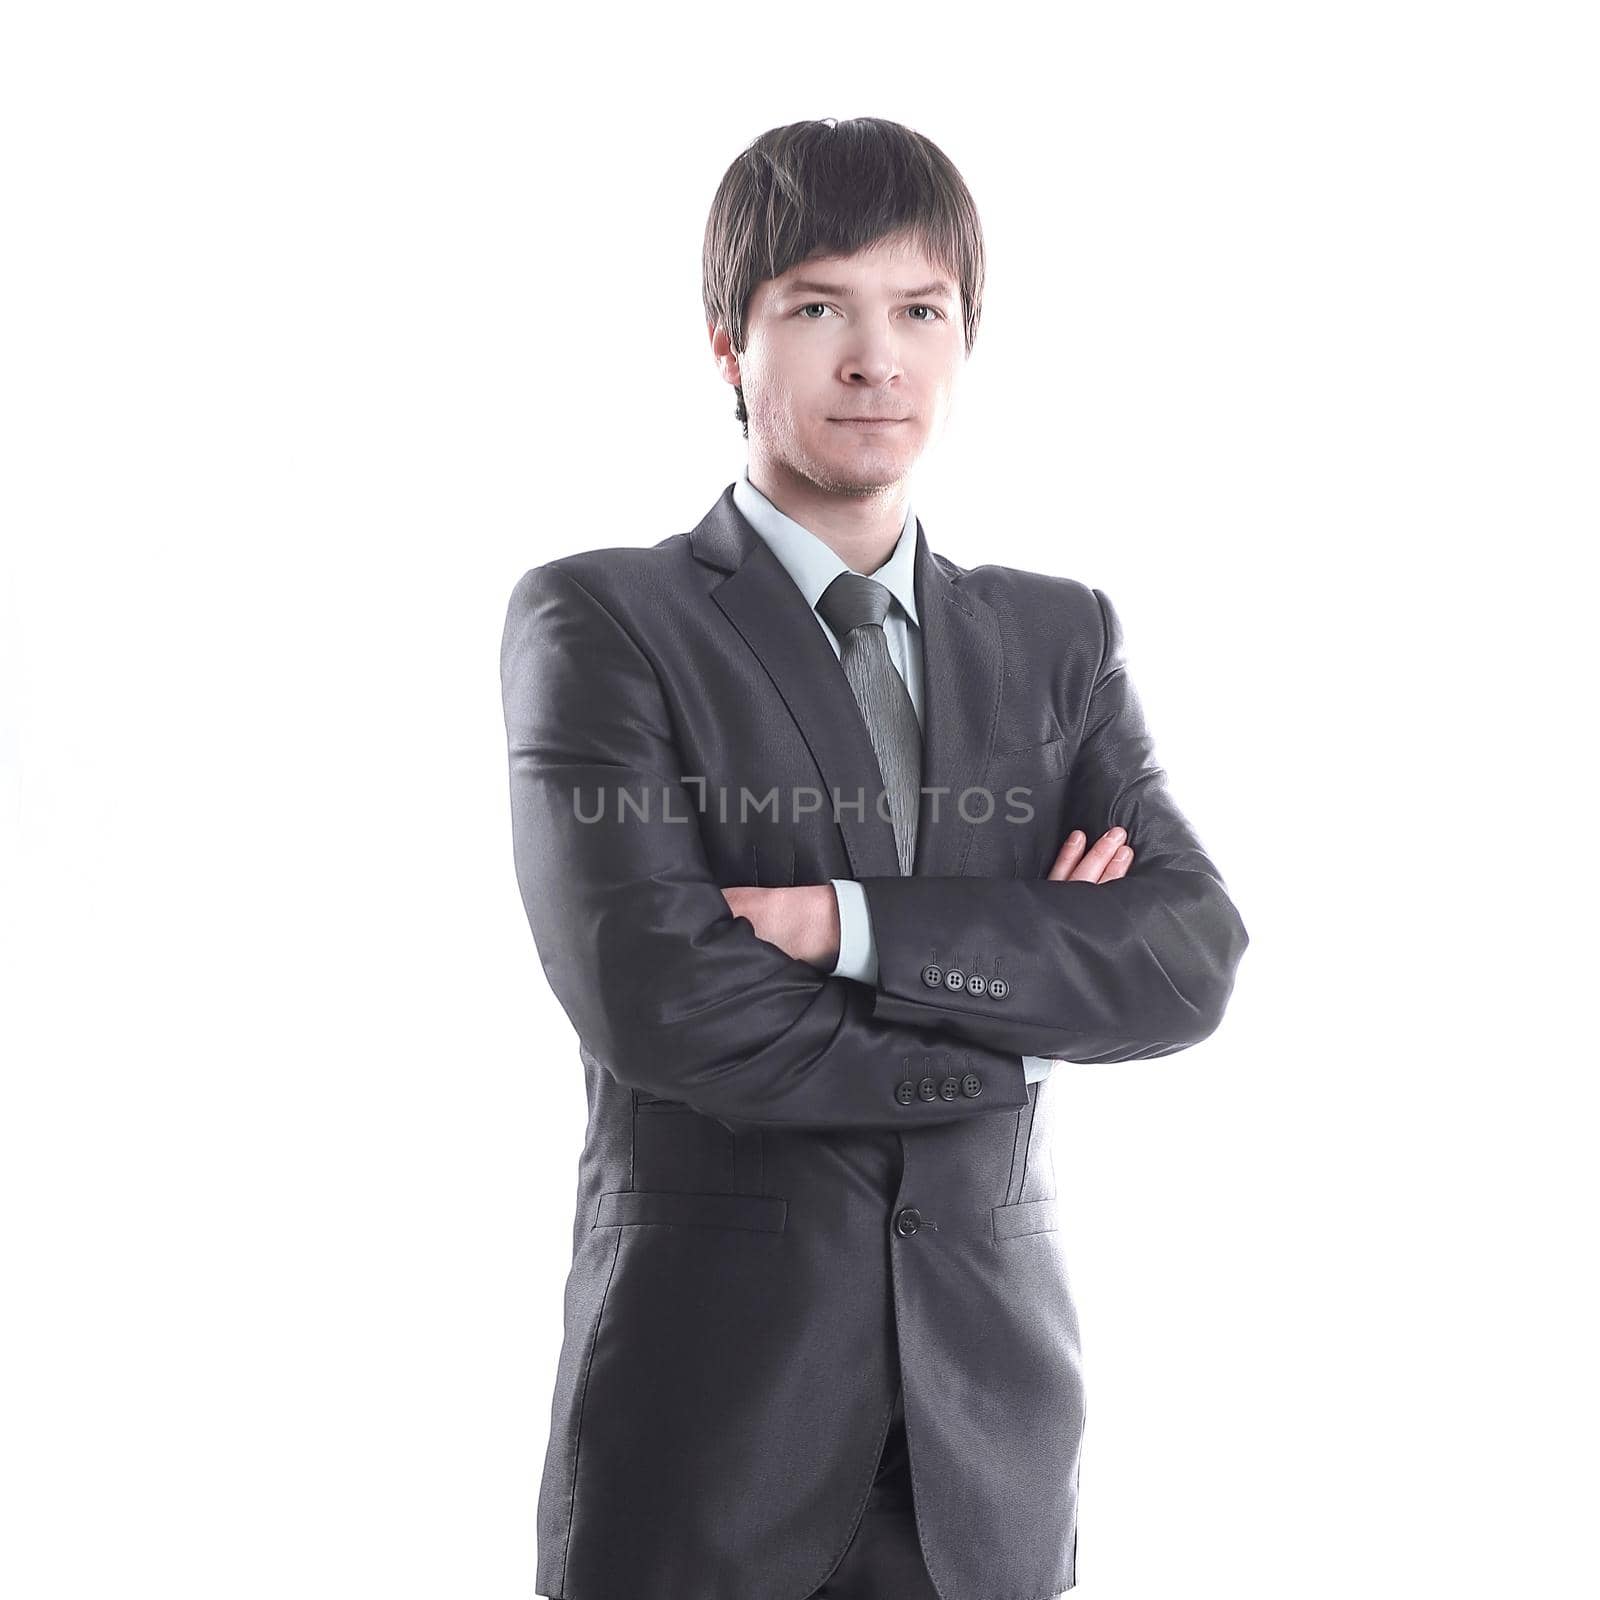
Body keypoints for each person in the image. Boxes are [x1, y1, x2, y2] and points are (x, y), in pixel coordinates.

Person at [500, 115, 1249, 1600]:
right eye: (819, 307)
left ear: (969, 342)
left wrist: (848, 925)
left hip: (992, 1453)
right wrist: (1024, 1008)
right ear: (731, 344)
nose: (876, 358)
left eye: (922, 311)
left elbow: (1184, 956)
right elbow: (664, 1000)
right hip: (708, 1438)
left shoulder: (1059, 639)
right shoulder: (604, 623)